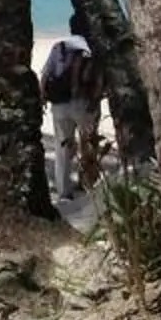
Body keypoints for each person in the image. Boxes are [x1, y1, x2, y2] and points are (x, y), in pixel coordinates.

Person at [39, 11, 105, 201]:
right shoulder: (92, 48)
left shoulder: (59, 47)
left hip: (59, 104)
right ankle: (88, 184)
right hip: (84, 103)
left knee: (62, 148)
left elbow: (45, 75)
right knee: (88, 144)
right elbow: (99, 79)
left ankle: (64, 192)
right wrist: (96, 100)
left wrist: (43, 98)